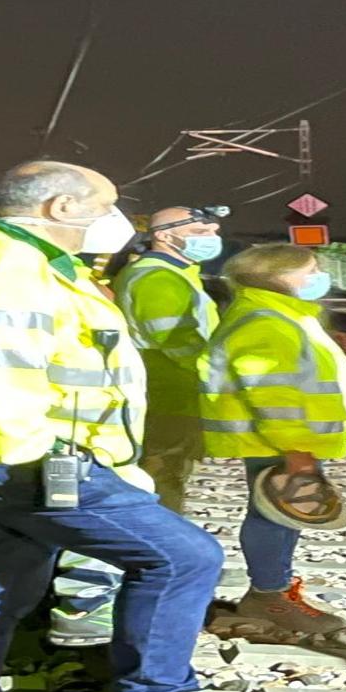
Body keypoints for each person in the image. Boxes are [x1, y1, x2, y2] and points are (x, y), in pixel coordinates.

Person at [0, 161, 227, 692]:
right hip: (15, 458)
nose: (115, 217)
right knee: (185, 558)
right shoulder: (10, 266)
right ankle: (159, 691)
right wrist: (39, 460)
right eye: (106, 204)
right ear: (61, 207)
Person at [199, 242, 346, 638]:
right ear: (280, 277)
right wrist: (297, 451)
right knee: (275, 515)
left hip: (282, 439)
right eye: (310, 270)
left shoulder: (277, 314)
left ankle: (275, 591)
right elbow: (272, 393)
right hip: (277, 441)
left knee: (279, 514)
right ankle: (270, 595)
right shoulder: (267, 322)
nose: (317, 278)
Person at [107, 206, 226, 512]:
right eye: (200, 233)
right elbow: (176, 340)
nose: (213, 237)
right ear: (163, 236)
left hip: (173, 390)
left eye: (213, 231)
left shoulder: (174, 273)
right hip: (168, 392)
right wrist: (219, 377)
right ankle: (159, 539)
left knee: (168, 469)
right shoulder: (157, 278)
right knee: (163, 470)